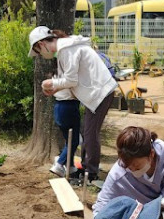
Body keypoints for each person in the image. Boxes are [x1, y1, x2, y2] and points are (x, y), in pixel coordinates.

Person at [29, 25, 116, 181]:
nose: (40, 55)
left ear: (41, 44)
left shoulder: (66, 50)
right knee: (87, 132)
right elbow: (71, 81)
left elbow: (71, 80)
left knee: (90, 134)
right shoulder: (66, 48)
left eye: (37, 51)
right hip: (97, 93)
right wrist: (55, 88)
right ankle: (86, 168)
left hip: (100, 93)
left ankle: (91, 173)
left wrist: (51, 83)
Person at [93, 126, 164, 212]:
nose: (133, 170)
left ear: (151, 154)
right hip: (139, 216)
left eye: (137, 166)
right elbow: (102, 204)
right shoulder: (119, 171)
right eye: (129, 167)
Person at [49, 87, 81, 177]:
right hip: (69, 105)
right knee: (74, 141)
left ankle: (70, 166)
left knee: (69, 140)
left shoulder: (59, 76)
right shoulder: (71, 76)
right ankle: (59, 163)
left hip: (59, 105)